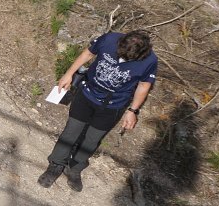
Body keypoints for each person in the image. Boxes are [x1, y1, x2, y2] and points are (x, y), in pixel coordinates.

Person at [39, 31, 156, 192]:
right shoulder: (109, 39)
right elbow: (87, 54)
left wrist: (133, 110)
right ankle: (56, 164)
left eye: (128, 59)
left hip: (113, 105)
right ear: (120, 43)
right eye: (121, 55)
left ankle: (74, 167)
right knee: (71, 131)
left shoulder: (150, 61)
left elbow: (143, 85)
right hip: (87, 94)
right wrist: (68, 74)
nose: (123, 60)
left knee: (92, 139)